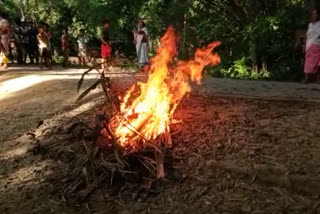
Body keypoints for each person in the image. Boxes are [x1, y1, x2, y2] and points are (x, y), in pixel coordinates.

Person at [304, 8, 320, 83]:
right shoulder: (309, 25)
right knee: (308, 61)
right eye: (313, 14)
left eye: (315, 14)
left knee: (318, 63)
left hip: (317, 45)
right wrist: (304, 45)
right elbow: (307, 35)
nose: (314, 15)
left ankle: (318, 79)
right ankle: (306, 78)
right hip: (309, 45)